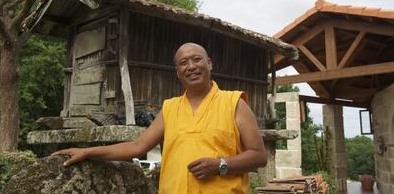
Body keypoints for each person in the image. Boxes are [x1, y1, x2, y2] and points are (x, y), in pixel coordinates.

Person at [52, 43, 267, 194]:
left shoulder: (234, 103)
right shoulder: (170, 108)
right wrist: (88, 152)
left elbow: (259, 156)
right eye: (183, 63)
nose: (190, 66)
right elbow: (137, 146)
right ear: (177, 72)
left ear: (209, 63)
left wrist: (221, 164)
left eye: (196, 59)